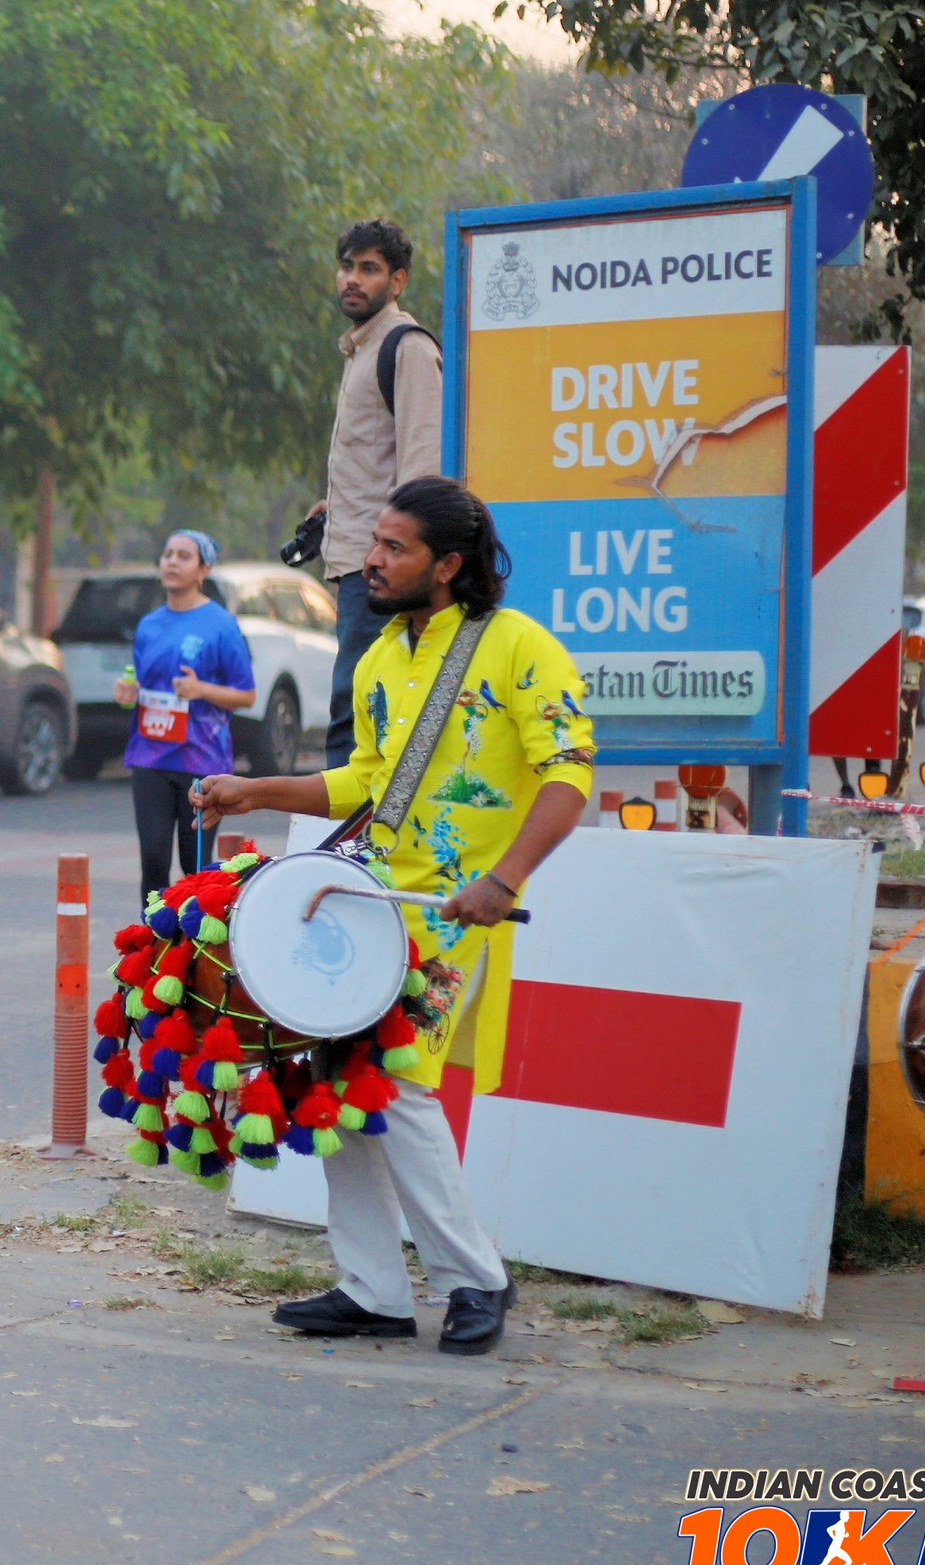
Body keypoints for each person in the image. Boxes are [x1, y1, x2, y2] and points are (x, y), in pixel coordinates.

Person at [198, 475, 594, 1356]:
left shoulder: (519, 648)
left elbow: (569, 772)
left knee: (402, 1087)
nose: (371, 561)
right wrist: (256, 790)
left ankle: (475, 1278)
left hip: (453, 915)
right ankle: (373, 1289)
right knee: (336, 1082)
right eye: (373, 543)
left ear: (447, 566)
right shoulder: (380, 657)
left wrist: (505, 879)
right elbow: (366, 783)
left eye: (393, 548)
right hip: (368, 906)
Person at [303, 219, 442, 763]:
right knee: (358, 713)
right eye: (346, 267)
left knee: (360, 721)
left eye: (369, 269)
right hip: (355, 566)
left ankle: (356, 822)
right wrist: (335, 510)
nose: (352, 280)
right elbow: (375, 462)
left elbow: (422, 475)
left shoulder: (406, 348)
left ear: (398, 280)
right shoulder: (361, 349)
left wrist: (390, 560)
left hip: (383, 570)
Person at [115, 530, 255, 908]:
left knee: (194, 866)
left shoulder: (221, 625)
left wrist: (201, 690)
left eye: (184, 556)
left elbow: (247, 695)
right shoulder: (149, 625)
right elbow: (142, 683)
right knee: (153, 860)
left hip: (201, 762)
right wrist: (128, 693)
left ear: (203, 570)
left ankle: (193, 942)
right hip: (150, 757)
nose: (172, 562)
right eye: (167, 554)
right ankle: (153, 941)